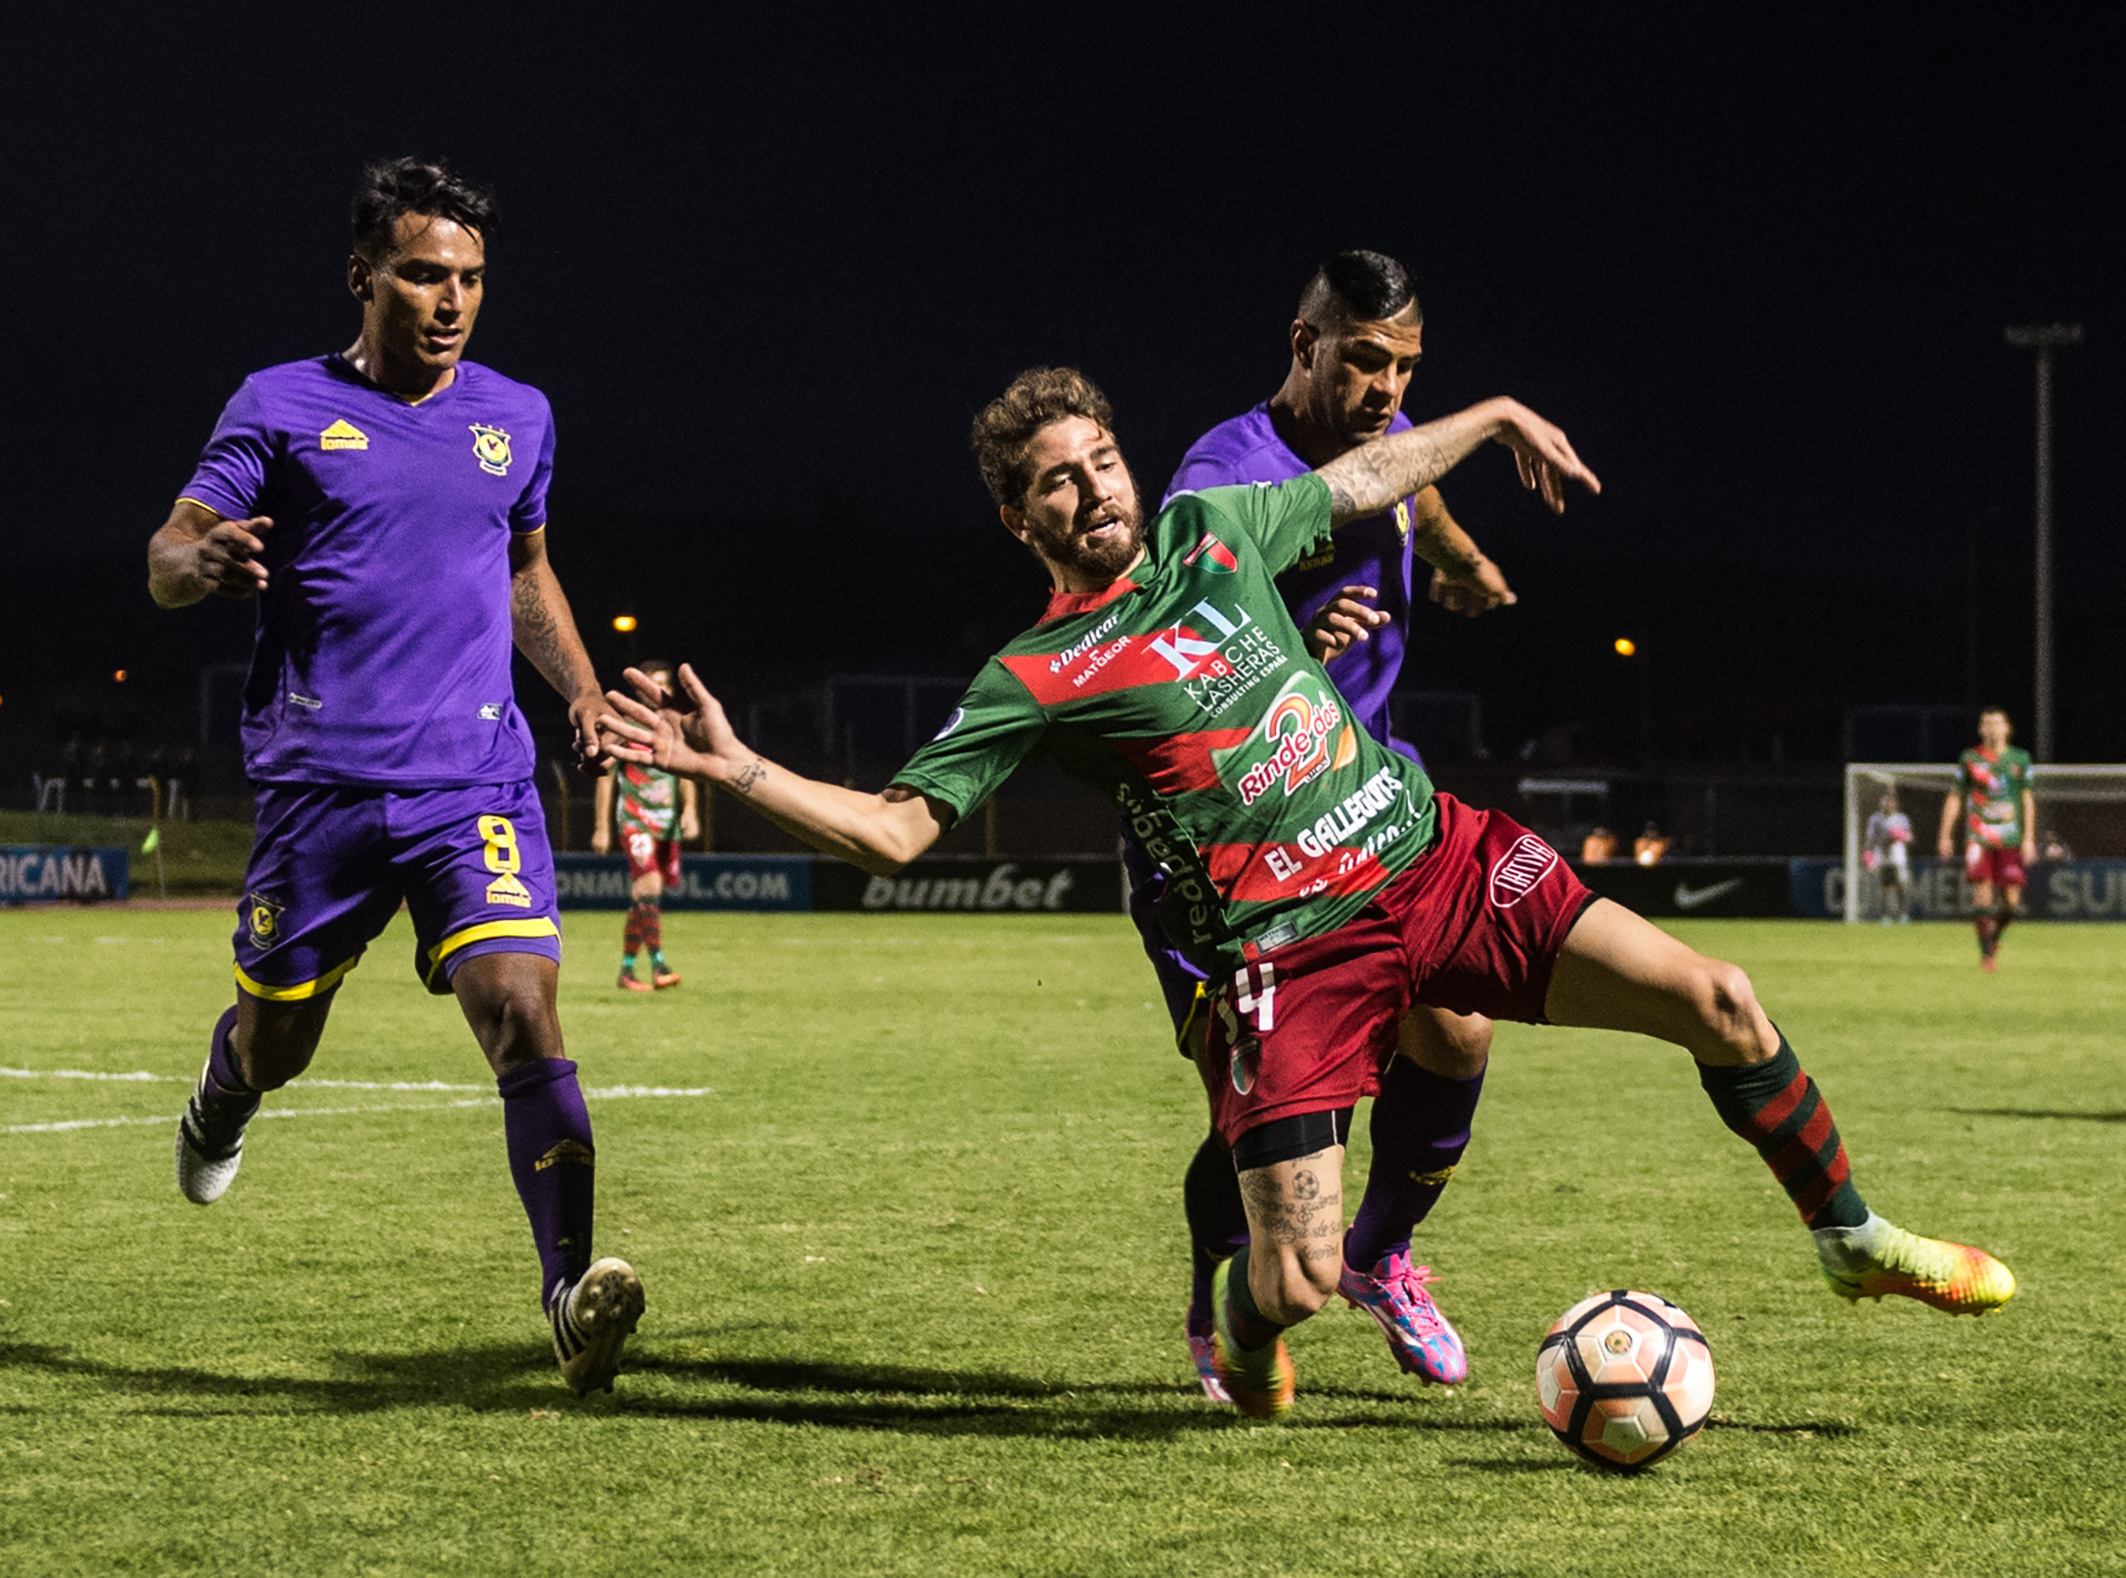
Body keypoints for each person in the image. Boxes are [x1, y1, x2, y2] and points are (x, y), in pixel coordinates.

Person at [600, 366, 2015, 1420]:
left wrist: (1496, 416)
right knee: (1287, 1280)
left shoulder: (1214, 529)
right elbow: (898, 830)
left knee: (1718, 998)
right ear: (1016, 516)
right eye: (1057, 481)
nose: (1094, 489)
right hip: (1290, 955)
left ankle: (1851, 1239)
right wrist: (735, 766)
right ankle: (1246, 1329)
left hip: (1427, 854)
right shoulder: (1034, 673)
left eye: (1102, 460)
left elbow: (1366, 476)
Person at [146, 157, 643, 1396]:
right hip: (319, 790)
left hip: (472, 781)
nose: (451, 299)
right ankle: (226, 1088)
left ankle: (567, 1296)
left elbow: (524, 570)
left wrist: (580, 689)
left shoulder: (517, 416)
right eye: (423, 274)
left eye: (469, 277)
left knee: (521, 1006)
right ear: (363, 277)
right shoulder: (277, 404)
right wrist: (199, 565)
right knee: (278, 1042)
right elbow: (168, 550)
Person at [1141, 252, 1513, 1401]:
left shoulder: (1386, 444)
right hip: (1232, 844)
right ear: (1302, 343)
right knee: (1272, 1097)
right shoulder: (1222, 473)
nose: (1386, 389)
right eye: (1362, 360)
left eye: (1404, 367)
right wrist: (1292, 656)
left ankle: (1378, 1256)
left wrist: (1463, 564)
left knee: (1457, 1030)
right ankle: (1216, 1293)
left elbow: (1414, 492)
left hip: (1363, 812)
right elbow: (1161, 666)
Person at [592, 659, 701, 992]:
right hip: (635, 821)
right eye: (654, 683)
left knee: (644, 897)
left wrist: (690, 811)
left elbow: (686, 772)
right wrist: (601, 828)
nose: (660, 690)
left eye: (665, 684)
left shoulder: (675, 728)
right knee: (649, 887)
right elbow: (605, 779)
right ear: (640, 691)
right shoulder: (626, 728)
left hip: (666, 824)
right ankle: (659, 965)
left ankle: (627, 971)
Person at [1936, 708, 2036, 973]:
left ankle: (1995, 938)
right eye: (1986, 723)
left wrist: (2029, 838)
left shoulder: (2020, 758)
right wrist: (1945, 834)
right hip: (1979, 836)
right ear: (1981, 729)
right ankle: (1986, 956)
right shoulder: (1970, 758)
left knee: (2011, 903)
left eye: (1997, 723)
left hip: (2010, 837)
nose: (1991, 728)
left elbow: (2027, 799)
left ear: (2007, 729)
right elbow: (1955, 796)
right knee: (1982, 893)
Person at [1863, 791, 1915, 925]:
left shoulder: (1901, 819)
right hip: (1883, 856)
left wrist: (1900, 835)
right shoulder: (1875, 819)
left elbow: (1910, 837)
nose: (1887, 804)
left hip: (1898, 856)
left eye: (1890, 802)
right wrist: (1868, 852)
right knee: (1885, 886)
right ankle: (1885, 916)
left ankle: (1903, 915)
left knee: (1901, 885)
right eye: (1885, 802)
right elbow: (1871, 837)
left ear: (1895, 804)